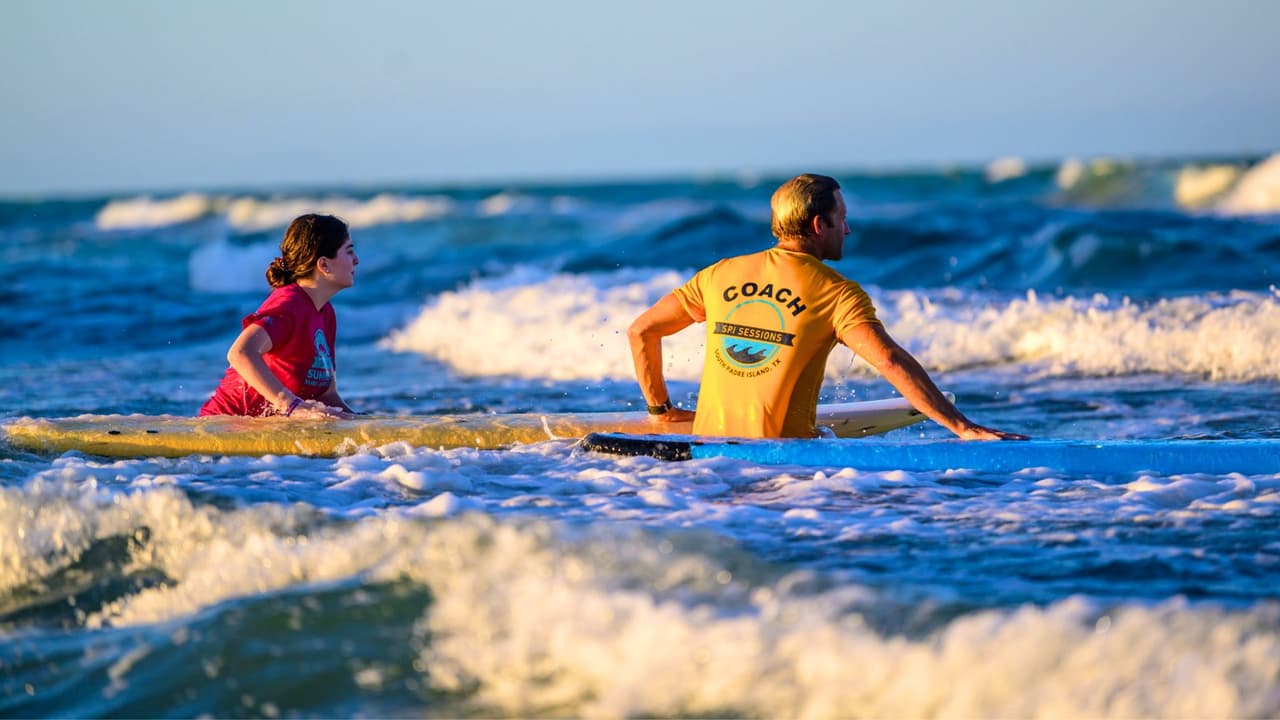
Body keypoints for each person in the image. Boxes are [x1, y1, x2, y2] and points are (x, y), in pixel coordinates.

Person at [628, 173, 1026, 440]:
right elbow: (887, 360)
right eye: (842, 219)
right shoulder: (836, 293)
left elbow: (642, 331)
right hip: (782, 468)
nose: (848, 230)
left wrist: (660, 411)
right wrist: (961, 426)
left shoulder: (719, 274)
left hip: (710, 458)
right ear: (819, 226)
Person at [200, 213, 359, 419]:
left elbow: (326, 395)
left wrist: (361, 423)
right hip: (225, 431)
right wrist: (290, 405)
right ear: (324, 265)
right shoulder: (289, 304)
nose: (356, 260)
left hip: (269, 436)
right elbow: (240, 353)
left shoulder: (325, 313)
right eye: (349, 252)